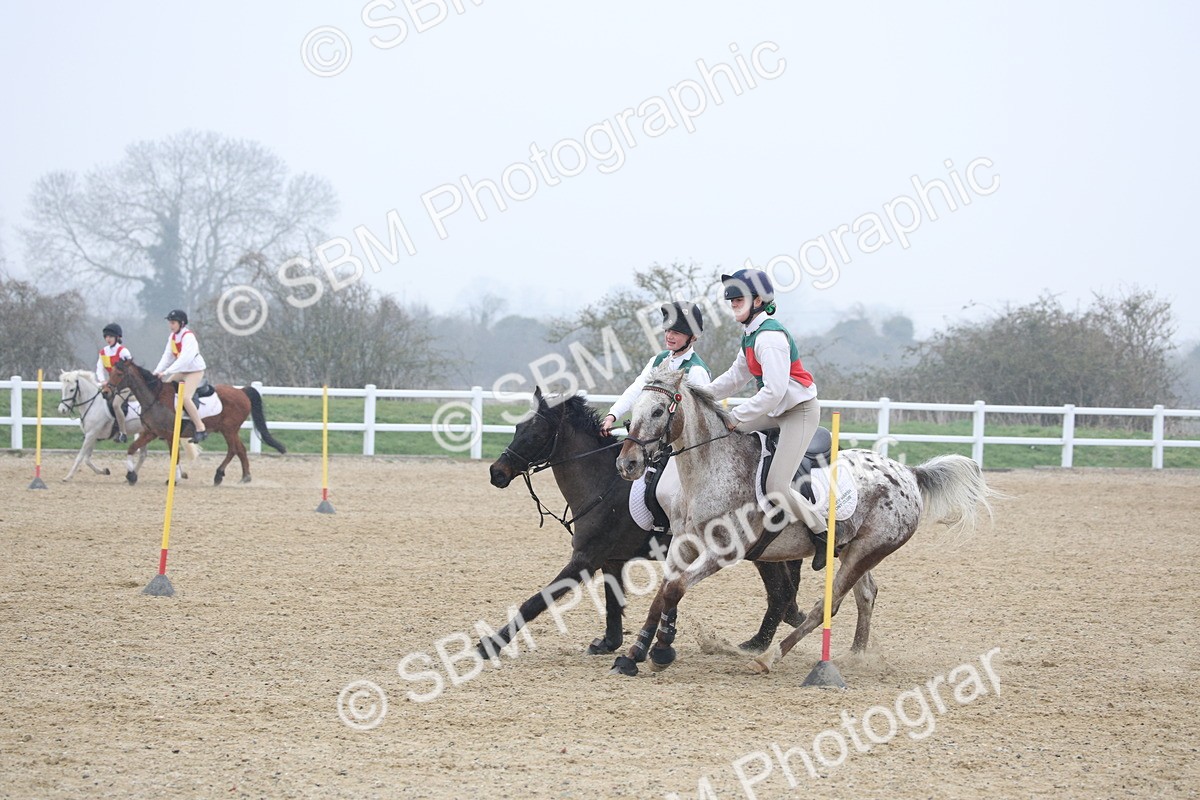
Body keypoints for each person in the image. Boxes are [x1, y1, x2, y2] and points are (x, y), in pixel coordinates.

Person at [705, 269, 833, 570]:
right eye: (731, 300)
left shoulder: (770, 338)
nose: (733, 304)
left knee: (777, 485)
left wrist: (736, 415)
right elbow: (735, 377)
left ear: (759, 301)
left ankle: (823, 534)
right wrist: (700, 393)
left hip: (798, 412)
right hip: (775, 410)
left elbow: (774, 392)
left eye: (739, 299)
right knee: (722, 433)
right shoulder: (750, 335)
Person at [600, 301, 710, 436]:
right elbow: (636, 389)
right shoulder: (657, 360)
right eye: (667, 330)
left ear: (692, 337)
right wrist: (612, 415)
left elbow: (701, 419)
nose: (669, 336)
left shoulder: (697, 371)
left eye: (676, 332)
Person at [153, 309, 209, 443]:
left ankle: (200, 428)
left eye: (173, 323)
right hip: (182, 370)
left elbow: (184, 359)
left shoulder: (188, 337)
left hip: (194, 371)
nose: (170, 325)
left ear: (182, 323)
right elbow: (167, 356)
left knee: (185, 398)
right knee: (165, 391)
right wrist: (157, 371)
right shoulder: (172, 337)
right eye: (170, 323)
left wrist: (166, 372)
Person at [96, 322, 133, 443]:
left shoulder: (123, 351)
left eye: (111, 336)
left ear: (117, 337)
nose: (108, 339)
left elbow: (130, 369)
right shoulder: (103, 352)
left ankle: (122, 433)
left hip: (125, 385)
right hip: (111, 385)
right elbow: (99, 368)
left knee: (116, 404)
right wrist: (102, 381)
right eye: (106, 336)